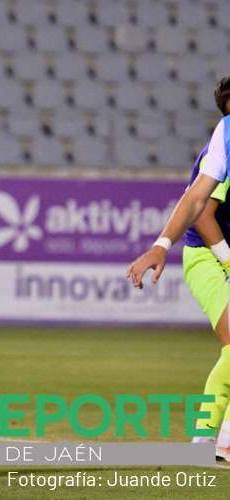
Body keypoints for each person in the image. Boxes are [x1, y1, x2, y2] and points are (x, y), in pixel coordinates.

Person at [127, 78, 230, 459]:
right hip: (207, 254)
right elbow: (200, 209)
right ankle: (210, 441)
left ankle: (210, 443)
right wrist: (161, 245)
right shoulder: (225, 145)